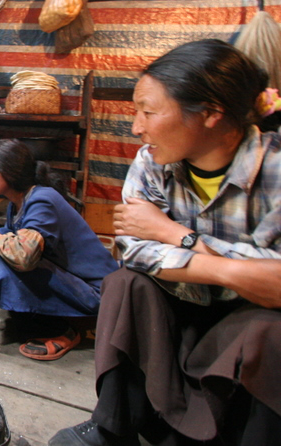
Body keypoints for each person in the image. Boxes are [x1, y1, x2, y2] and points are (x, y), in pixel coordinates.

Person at [49, 39, 281, 446]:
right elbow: (133, 247)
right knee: (125, 283)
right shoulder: (152, 162)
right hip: (179, 306)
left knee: (270, 330)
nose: (136, 127)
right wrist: (235, 269)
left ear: (210, 112)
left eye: (148, 111)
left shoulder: (274, 169)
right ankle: (114, 427)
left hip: (243, 323)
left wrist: (175, 234)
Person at [0, 138, 120, 361]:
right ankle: (45, 318)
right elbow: (12, 239)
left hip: (99, 294)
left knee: (5, 258)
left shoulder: (42, 199)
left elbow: (24, 257)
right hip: (78, 286)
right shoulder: (18, 202)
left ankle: (61, 330)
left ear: (8, 171)